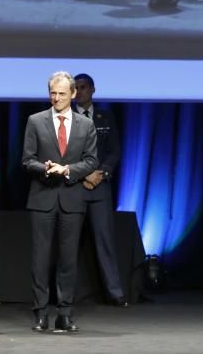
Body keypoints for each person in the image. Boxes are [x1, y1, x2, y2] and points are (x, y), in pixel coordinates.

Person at [22, 71, 98, 332]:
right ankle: (40, 313)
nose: (56, 98)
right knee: (40, 259)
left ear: (74, 94)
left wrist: (66, 170)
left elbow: (91, 161)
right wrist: (45, 168)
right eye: (53, 93)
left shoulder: (86, 125)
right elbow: (27, 159)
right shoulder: (35, 121)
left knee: (68, 259)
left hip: (72, 199)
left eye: (62, 93)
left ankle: (64, 313)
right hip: (42, 198)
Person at [73, 73, 126, 306]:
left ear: (92, 90)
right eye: (75, 88)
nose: (79, 92)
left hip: (100, 188)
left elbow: (114, 150)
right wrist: (85, 175)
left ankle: (115, 293)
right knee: (69, 244)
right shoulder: (66, 117)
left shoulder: (106, 116)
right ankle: (65, 296)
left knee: (105, 241)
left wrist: (100, 173)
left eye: (83, 87)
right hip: (74, 188)